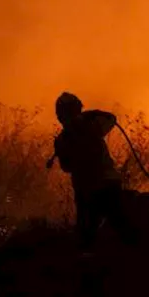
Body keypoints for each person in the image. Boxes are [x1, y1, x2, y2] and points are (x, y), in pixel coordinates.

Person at [48, 92, 129, 251]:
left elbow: (111, 119)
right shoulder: (73, 135)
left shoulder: (88, 127)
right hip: (90, 188)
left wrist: (91, 115)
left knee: (115, 224)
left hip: (103, 185)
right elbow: (67, 167)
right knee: (90, 231)